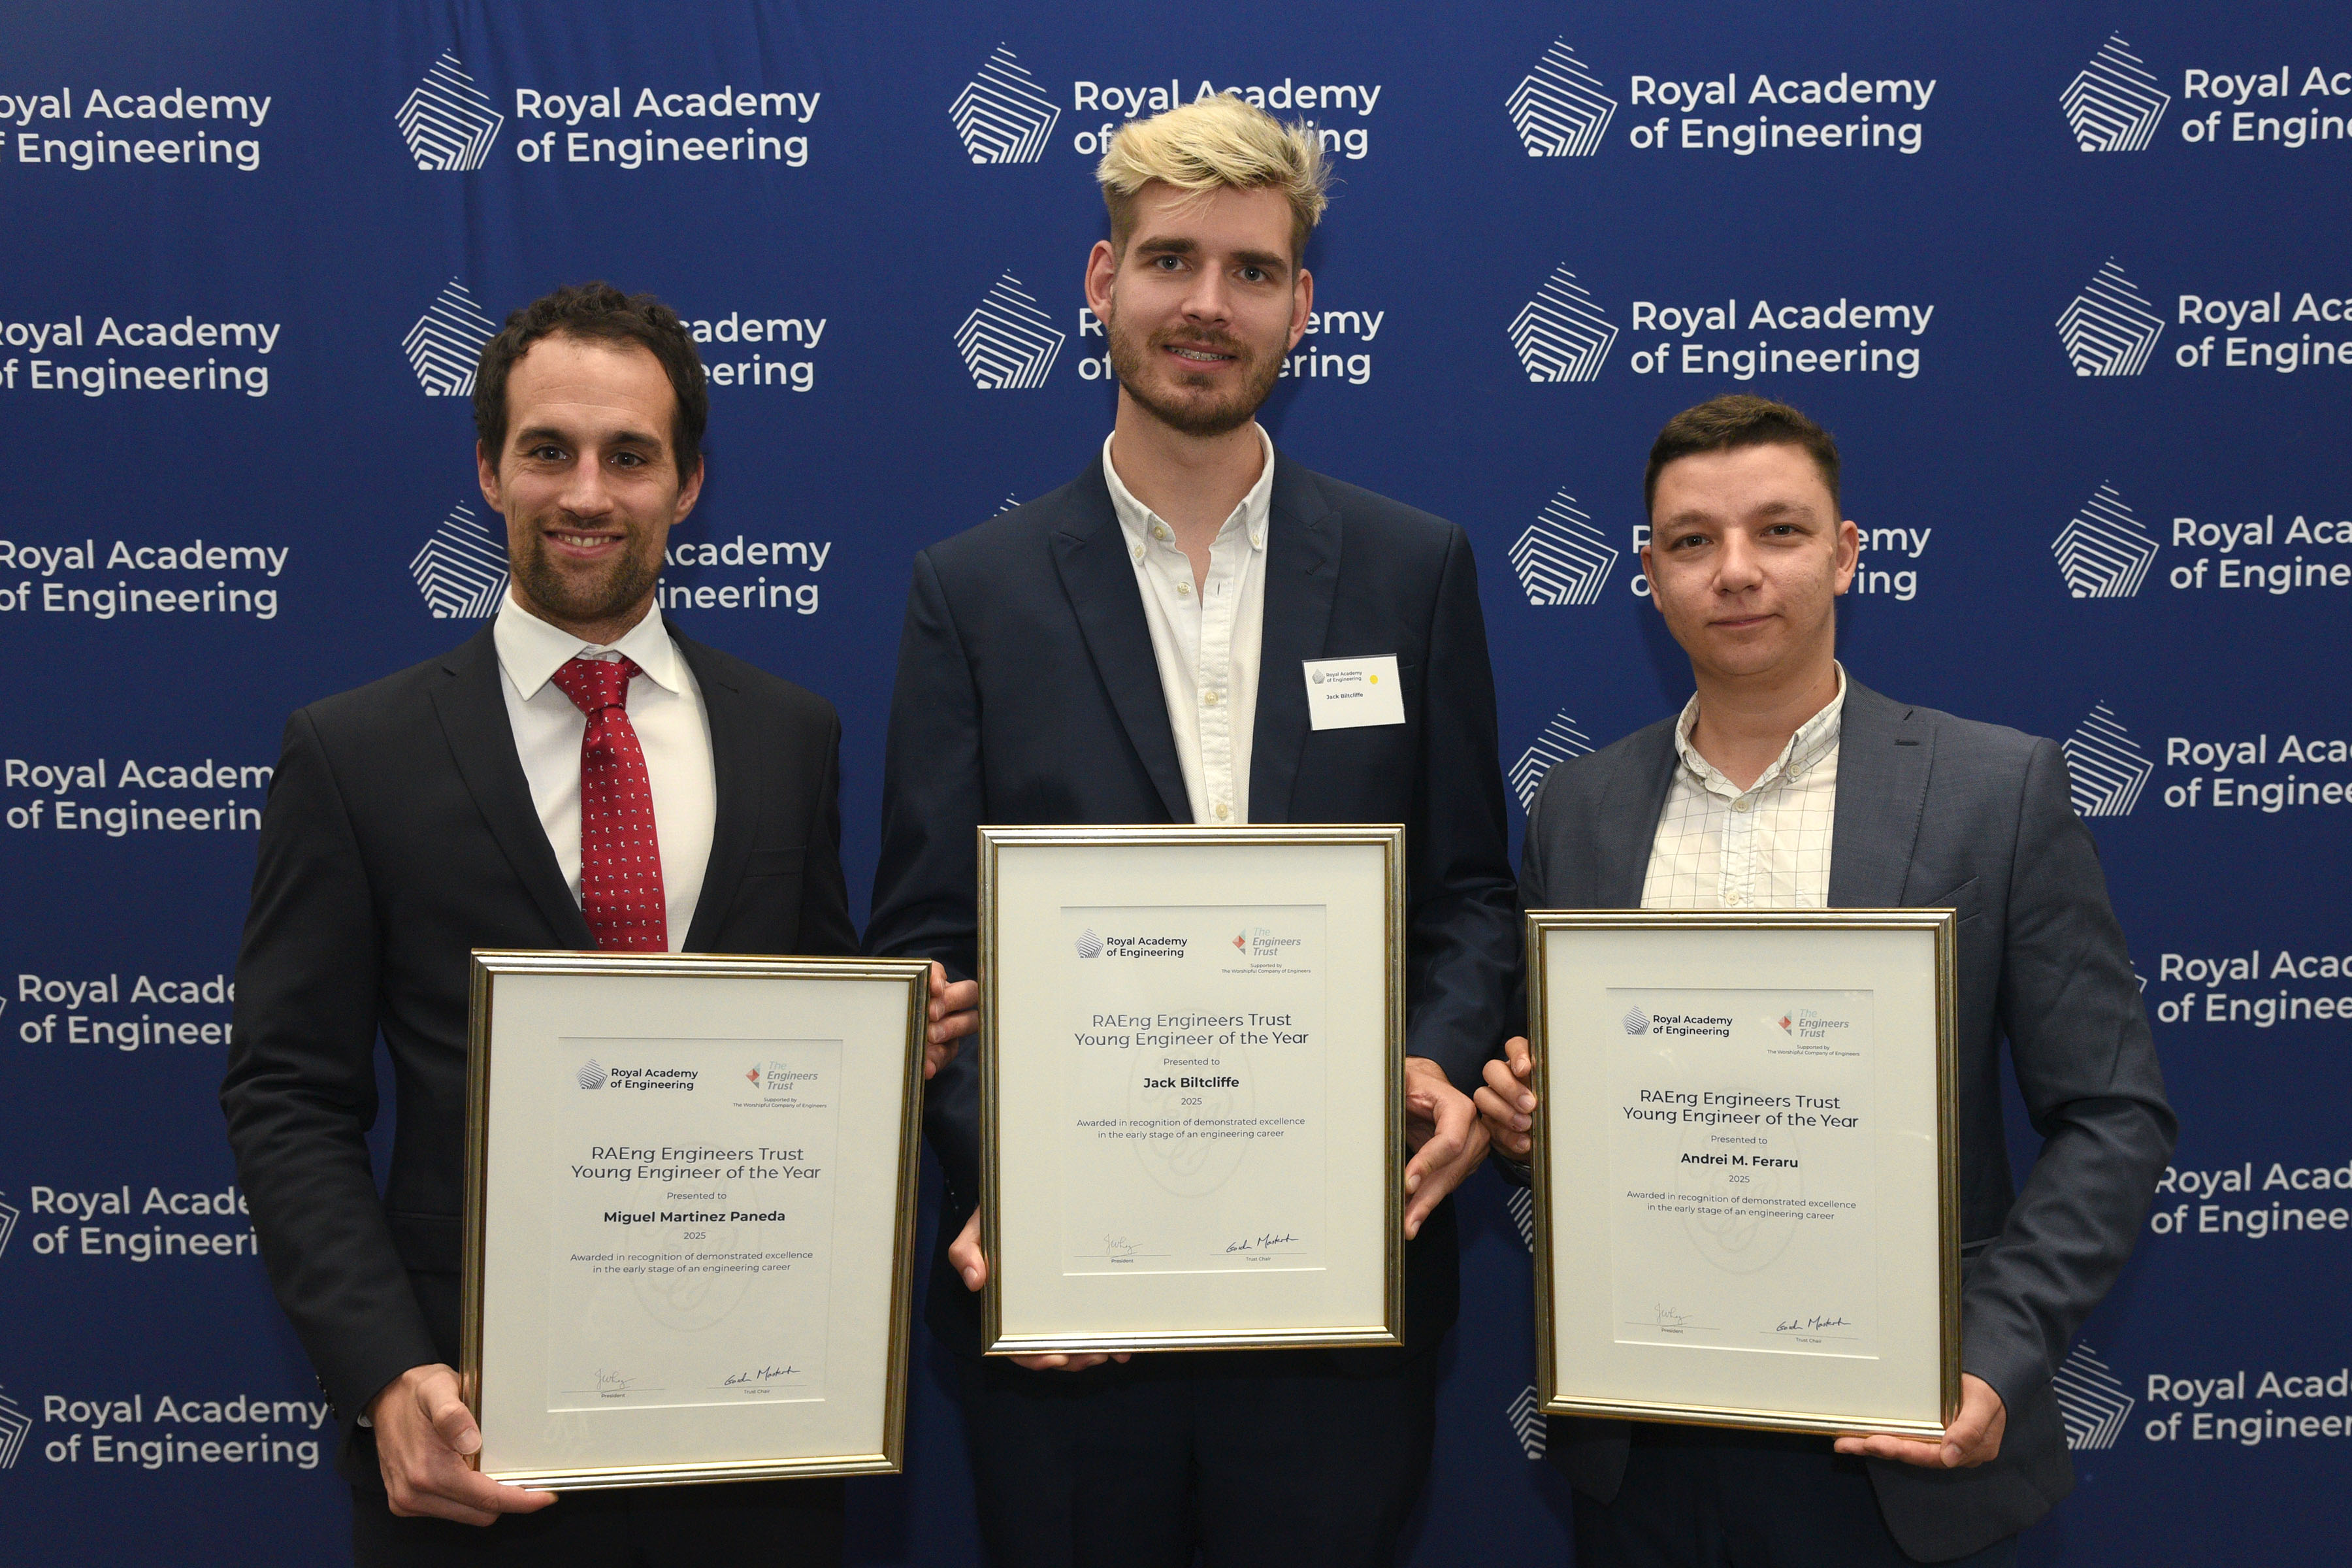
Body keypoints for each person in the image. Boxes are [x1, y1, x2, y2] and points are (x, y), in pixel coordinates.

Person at [220, 282, 971, 1565]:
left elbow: (795, 1036)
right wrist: (388, 1373)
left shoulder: (790, 737)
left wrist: (887, 1052)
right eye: (547, 451)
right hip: (477, 1429)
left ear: (687, 485)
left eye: (630, 457)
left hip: (759, 1422)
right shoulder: (355, 755)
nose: (586, 493)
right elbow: (289, 1093)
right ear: (487, 470)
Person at [864, 97, 1518, 1566]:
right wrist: (1017, 1190)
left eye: (1251, 270)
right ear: (1102, 285)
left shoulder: (1417, 571)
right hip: (1064, 1304)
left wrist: (1434, 1060)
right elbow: (925, 950)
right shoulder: (972, 593)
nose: (1206, 306)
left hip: (1343, 1290)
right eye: (1169, 261)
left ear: (1303, 305)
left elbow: (1472, 892)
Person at [1477, 395, 2176, 1566]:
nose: (1736, 572)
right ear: (1648, 575)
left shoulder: (1996, 793)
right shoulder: (1580, 810)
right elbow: (1572, 1107)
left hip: (1903, 1448)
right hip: (1645, 1447)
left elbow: (2115, 1115)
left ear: (1848, 554)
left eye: (1780, 532)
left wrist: (1991, 1354)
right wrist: (1526, 1122)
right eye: (1693, 542)